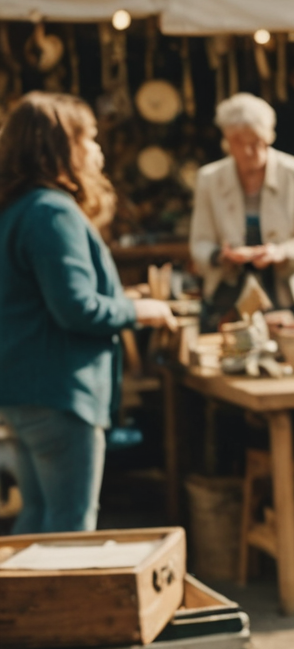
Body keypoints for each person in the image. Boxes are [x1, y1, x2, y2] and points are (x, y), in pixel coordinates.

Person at [0, 93, 175, 532]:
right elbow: (76, 309)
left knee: (37, 517)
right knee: (69, 527)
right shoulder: (51, 211)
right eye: (90, 138)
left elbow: (43, 296)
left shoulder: (17, 208)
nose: (97, 150)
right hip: (60, 391)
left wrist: (119, 295)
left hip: (25, 388)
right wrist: (139, 309)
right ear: (62, 147)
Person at [189, 93, 294, 322]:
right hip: (230, 296)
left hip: (288, 293)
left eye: (255, 142)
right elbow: (199, 243)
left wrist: (282, 253)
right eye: (238, 142)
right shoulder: (209, 178)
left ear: (268, 137)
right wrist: (221, 256)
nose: (247, 151)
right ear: (226, 142)